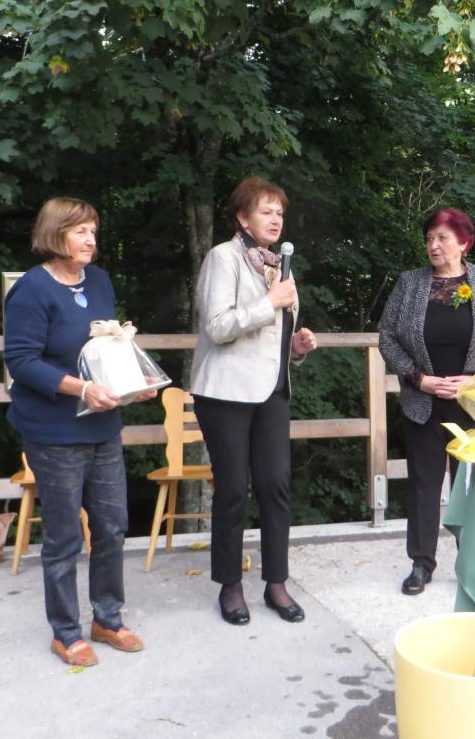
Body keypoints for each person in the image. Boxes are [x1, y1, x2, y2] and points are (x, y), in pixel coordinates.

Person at [4, 196, 157, 667]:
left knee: (112, 527)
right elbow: (21, 361)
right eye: (81, 231)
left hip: (103, 426)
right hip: (53, 433)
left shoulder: (100, 281)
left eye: (93, 231)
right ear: (56, 235)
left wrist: (133, 381)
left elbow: (107, 346)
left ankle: (107, 619)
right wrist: (82, 389)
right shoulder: (31, 290)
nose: (91, 239)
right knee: (65, 537)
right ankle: (65, 632)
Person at [190, 176, 317, 626]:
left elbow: (273, 335)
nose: (276, 219)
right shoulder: (222, 258)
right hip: (225, 393)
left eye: (280, 212)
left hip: (272, 392)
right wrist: (270, 301)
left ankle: (276, 582)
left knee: (275, 485)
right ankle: (230, 585)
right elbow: (217, 327)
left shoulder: (279, 266)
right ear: (243, 218)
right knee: (231, 490)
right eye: (266, 211)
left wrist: (295, 348)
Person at [378, 207, 475, 595]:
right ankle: (421, 564)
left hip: (472, 404)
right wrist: (418, 378)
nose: (434, 245)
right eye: (429, 238)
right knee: (423, 485)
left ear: (464, 243)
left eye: (442, 237)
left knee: (470, 487)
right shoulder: (410, 283)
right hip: (423, 403)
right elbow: (387, 336)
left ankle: (472, 562)